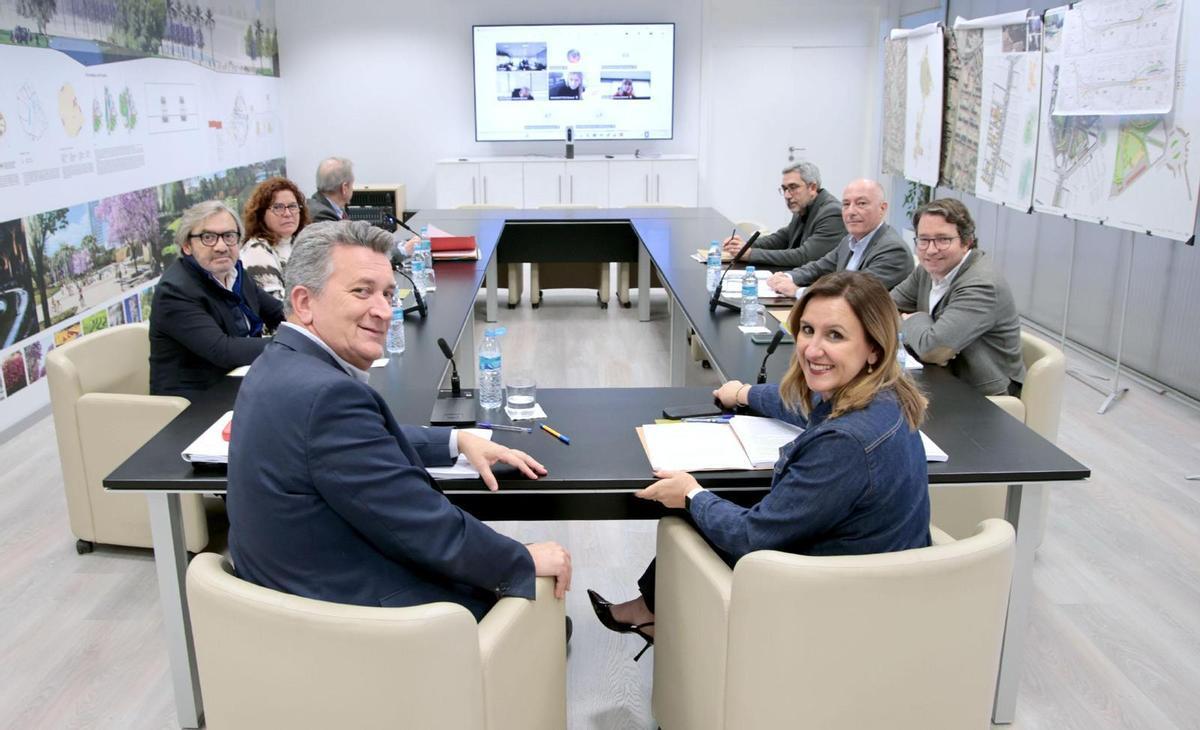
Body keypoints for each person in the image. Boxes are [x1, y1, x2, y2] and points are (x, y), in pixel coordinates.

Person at [226, 220, 572, 622]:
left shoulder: (277, 364)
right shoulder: (329, 398)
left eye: (389, 293)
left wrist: (456, 440)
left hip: (293, 587)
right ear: (304, 303)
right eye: (362, 292)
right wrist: (522, 558)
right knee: (546, 615)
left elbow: (353, 445)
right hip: (349, 617)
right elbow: (425, 528)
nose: (384, 310)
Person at [588, 271, 931, 658]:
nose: (812, 349)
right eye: (806, 330)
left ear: (874, 348)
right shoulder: (886, 395)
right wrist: (745, 393)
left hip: (835, 601)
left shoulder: (844, 443)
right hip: (886, 580)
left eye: (835, 335)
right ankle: (651, 609)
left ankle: (653, 614)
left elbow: (752, 537)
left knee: (693, 518)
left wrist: (691, 494)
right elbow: (804, 404)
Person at [891, 198, 1025, 396]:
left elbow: (932, 348)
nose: (931, 250)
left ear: (966, 241)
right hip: (940, 377)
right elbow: (884, 305)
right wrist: (925, 333)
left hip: (983, 394)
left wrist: (914, 319)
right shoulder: (927, 270)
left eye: (943, 239)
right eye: (924, 239)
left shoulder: (982, 284)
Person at [149, 201, 283, 398]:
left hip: (241, 382)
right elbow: (222, 350)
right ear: (187, 246)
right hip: (194, 405)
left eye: (229, 236)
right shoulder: (175, 291)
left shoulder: (236, 273)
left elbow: (278, 312)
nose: (221, 247)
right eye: (208, 237)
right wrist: (290, 344)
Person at [766, 179, 914, 298]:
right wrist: (787, 276)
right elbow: (820, 267)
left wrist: (798, 291)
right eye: (846, 204)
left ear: (882, 208)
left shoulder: (893, 250)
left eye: (861, 204)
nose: (851, 212)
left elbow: (851, 293)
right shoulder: (850, 240)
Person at [723, 161, 846, 268]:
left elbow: (804, 256)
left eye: (793, 187)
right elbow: (782, 238)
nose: (787, 195)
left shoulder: (832, 214)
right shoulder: (804, 206)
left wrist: (751, 254)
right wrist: (745, 245)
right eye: (785, 189)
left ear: (812, 188)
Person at [239, 177, 309, 302]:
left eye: (292, 206)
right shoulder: (256, 250)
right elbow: (277, 305)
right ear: (261, 214)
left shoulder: (301, 243)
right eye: (278, 207)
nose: (287, 213)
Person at [307, 157, 354, 223]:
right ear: (344, 187)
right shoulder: (322, 216)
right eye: (352, 184)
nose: (352, 188)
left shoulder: (337, 209)